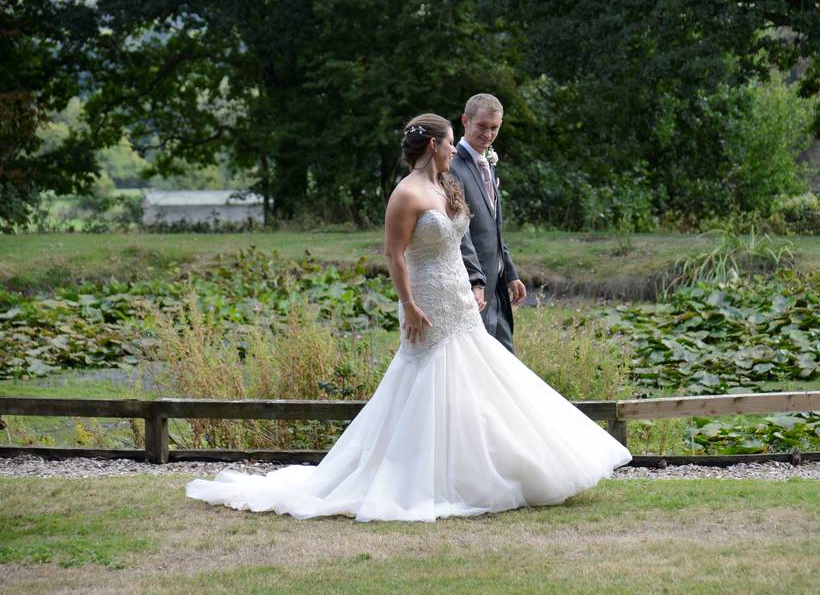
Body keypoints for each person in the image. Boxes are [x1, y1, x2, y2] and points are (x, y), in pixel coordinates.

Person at [185, 113, 631, 522]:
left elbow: (461, 240)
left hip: (459, 298)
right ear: (433, 144)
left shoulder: (444, 185)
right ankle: (420, 476)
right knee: (425, 385)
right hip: (427, 301)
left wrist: (477, 284)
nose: (455, 150)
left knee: (480, 383)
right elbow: (394, 255)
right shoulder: (406, 192)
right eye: (450, 143)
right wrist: (409, 305)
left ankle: (497, 467)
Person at [450, 93, 524, 353]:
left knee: (504, 358)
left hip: (497, 280)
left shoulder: (489, 164)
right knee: (478, 358)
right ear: (465, 121)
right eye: (482, 126)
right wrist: (475, 281)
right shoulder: (452, 166)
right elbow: (461, 230)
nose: (488, 134)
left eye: (494, 128)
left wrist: (510, 272)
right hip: (474, 285)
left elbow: (495, 226)